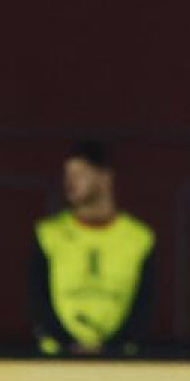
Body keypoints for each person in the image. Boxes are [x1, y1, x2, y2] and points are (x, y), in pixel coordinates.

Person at [27, 142, 155, 357]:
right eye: (67, 175)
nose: (70, 183)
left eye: (80, 174)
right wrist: (68, 345)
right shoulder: (48, 234)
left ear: (105, 178)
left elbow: (145, 307)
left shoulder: (139, 238)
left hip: (121, 362)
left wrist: (111, 348)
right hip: (57, 360)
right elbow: (37, 301)